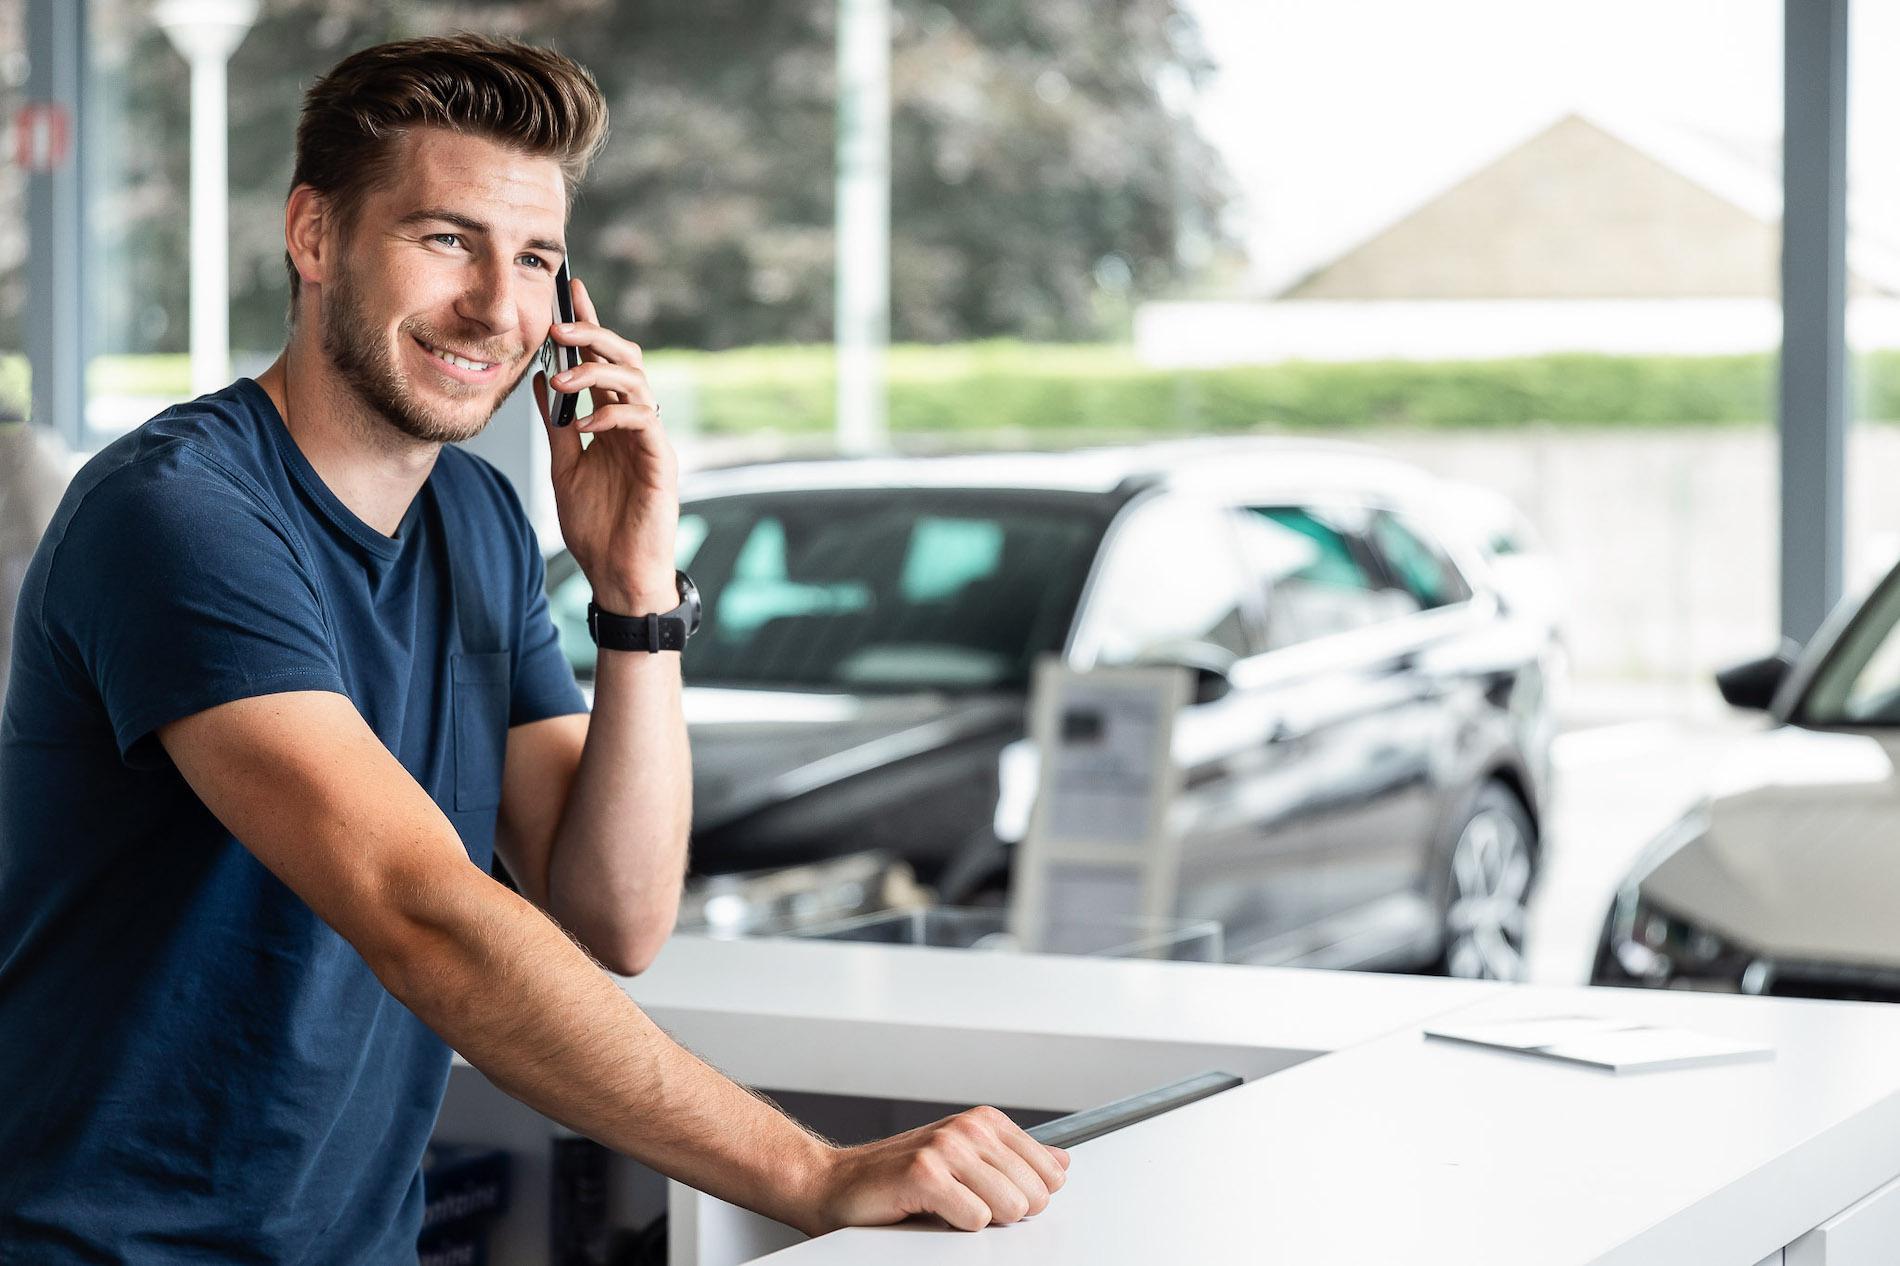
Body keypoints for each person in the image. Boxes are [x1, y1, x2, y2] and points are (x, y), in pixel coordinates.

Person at [0, 35, 1066, 1261]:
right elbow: (425, 914)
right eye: (446, 239)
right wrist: (808, 1172)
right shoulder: (179, 513)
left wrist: (634, 591)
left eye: (538, 259)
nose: (499, 307)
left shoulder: (475, 518)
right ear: (313, 236)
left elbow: (613, 911)